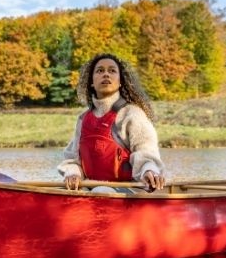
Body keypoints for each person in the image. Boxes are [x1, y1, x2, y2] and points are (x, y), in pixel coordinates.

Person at [57, 53, 166, 192]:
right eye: (100, 71)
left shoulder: (132, 114)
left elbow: (146, 151)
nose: (106, 74)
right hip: (92, 190)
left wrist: (149, 170)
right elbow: (73, 160)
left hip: (128, 192)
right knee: (66, 193)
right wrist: (73, 174)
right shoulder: (83, 119)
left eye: (112, 71)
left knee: (100, 191)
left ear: (120, 81)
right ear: (91, 81)